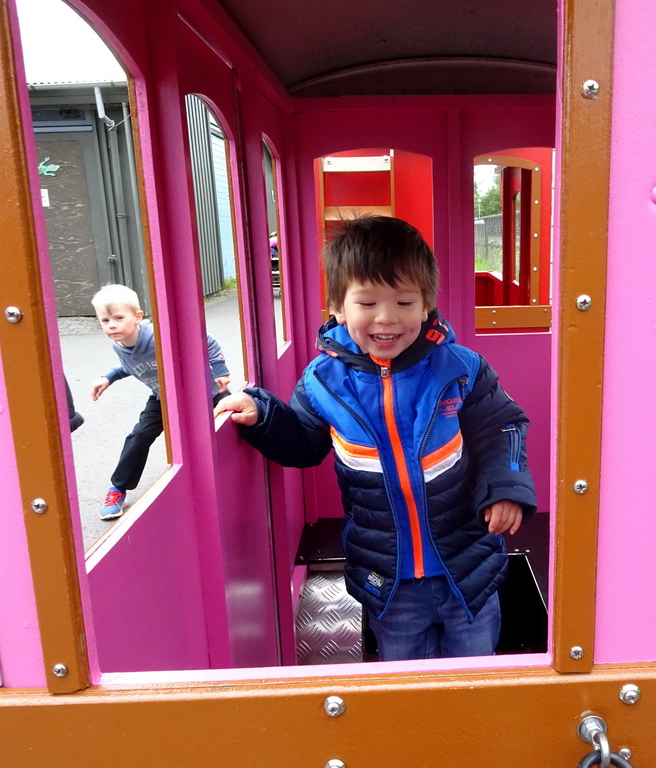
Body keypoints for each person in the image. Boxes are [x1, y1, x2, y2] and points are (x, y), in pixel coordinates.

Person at [216, 215, 536, 660]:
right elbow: (305, 443)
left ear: (426, 305)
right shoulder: (323, 381)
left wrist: (505, 489)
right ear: (338, 307)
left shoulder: (460, 368)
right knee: (403, 678)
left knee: (476, 670)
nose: (387, 318)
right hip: (388, 573)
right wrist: (262, 415)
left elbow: (502, 426)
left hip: (466, 563)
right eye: (367, 303)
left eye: (404, 302)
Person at [91, 284, 231, 520]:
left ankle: (233, 476)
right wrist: (109, 377)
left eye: (118, 318)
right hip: (163, 396)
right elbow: (130, 366)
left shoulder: (157, 335)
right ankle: (118, 488)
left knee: (230, 425)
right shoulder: (120, 345)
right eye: (104, 320)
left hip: (203, 391)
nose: (111, 325)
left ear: (137, 317)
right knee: (139, 435)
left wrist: (220, 370)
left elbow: (205, 340)